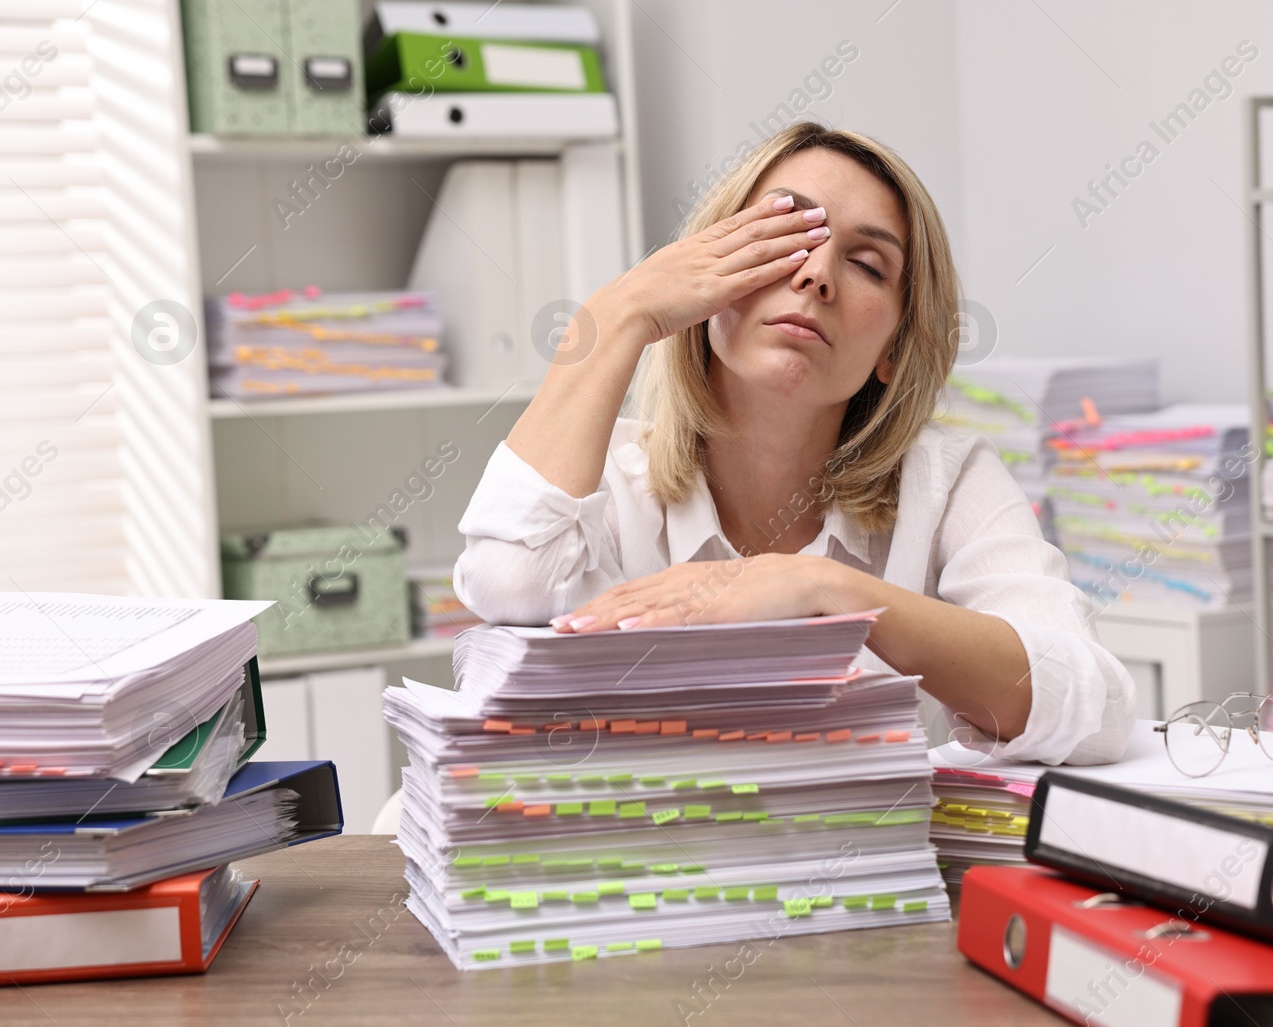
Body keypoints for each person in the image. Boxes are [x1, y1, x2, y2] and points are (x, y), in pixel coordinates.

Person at [453, 122, 1134, 764]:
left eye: (868, 264)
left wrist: (823, 588)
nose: (816, 276)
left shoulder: (946, 478)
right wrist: (617, 310)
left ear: (893, 349)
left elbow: (1095, 707)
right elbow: (508, 581)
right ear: (706, 277)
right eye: (784, 236)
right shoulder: (596, 479)